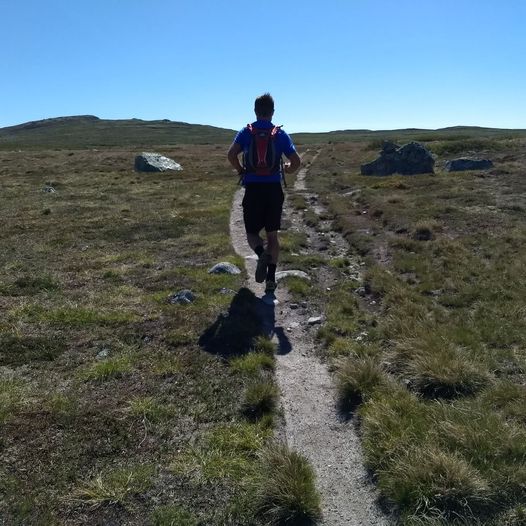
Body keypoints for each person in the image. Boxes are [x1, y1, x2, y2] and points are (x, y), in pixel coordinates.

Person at [228, 93, 301, 295]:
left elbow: (231, 155)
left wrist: (241, 170)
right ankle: (270, 279)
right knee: (273, 236)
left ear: (255, 111)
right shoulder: (280, 134)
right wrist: (287, 169)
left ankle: (260, 254)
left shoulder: (246, 132)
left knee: (252, 233)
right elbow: (297, 162)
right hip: (273, 190)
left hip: (253, 189)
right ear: (272, 112)